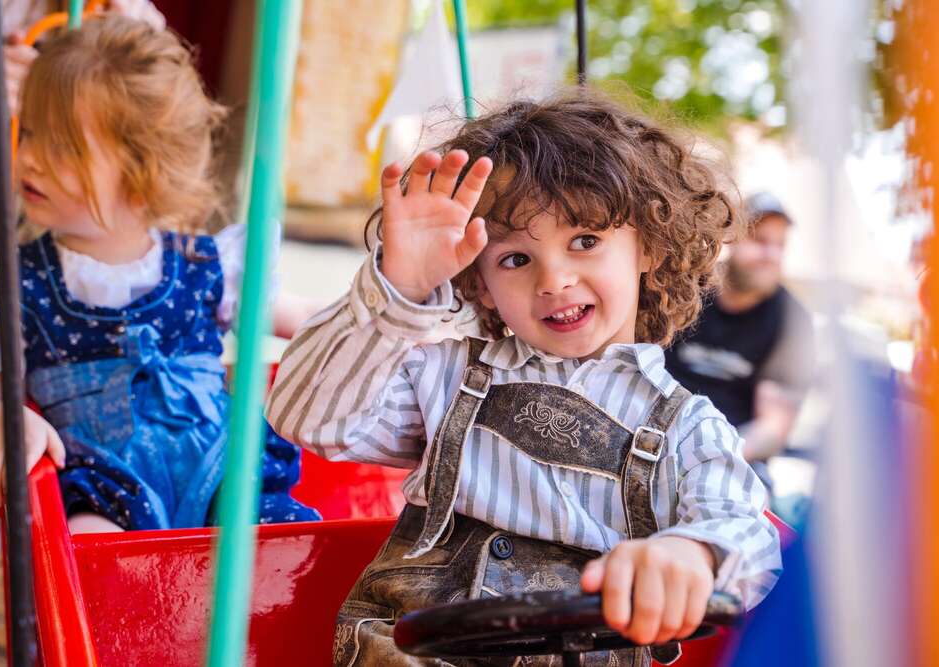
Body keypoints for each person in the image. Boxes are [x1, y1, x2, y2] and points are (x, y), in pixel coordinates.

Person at [267, 91, 781, 666]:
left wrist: (692, 554)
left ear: (648, 247)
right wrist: (400, 290)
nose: (555, 280)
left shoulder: (686, 430)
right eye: (515, 259)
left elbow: (744, 528)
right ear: (480, 282)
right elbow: (309, 418)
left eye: (585, 241)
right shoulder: (445, 378)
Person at [0, 15, 318, 534]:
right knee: (93, 554)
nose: (30, 159)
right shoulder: (9, 283)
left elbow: (308, 320)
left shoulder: (208, 266)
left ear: (144, 175)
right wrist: (5, 418)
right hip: (104, 489)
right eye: (28, 132)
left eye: (65, 148)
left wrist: (403, 305)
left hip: (223, 478)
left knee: (281, 542)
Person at [665, 193, 815, 495]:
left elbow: (771, 431)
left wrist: (708, 455)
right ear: (732, 239)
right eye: (760, 240)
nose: (770, 255)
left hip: (732, 455)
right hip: (656, 433)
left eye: (780, 245)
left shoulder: (791, 319)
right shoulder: (687, 288)